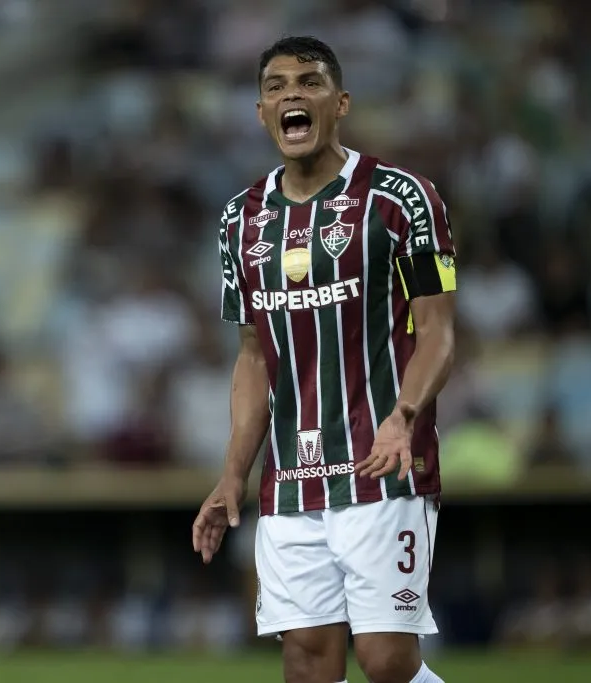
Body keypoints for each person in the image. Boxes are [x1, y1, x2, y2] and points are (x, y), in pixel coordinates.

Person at [192, 37, 456, 683]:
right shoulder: (240, 221)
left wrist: (404, 417)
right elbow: (253, 357)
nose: (292, 95)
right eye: (277, 86)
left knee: (387, 660)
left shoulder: (402, 198)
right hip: (291, 475)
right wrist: (232, 475)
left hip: (384, 459)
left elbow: (439, 331)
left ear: (339, 103)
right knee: (307, 660)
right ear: (261, 112)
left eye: (308, 83)